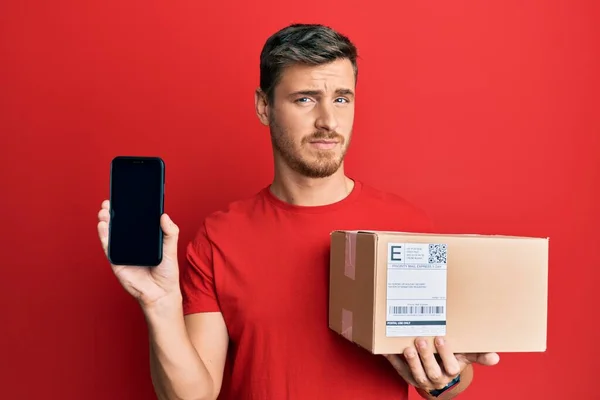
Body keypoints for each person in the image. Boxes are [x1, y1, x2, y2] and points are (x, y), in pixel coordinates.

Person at [97, 23, 499, 400]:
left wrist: (445, 379)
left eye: (341, 98)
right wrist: (159, 304)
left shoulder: (408, 229)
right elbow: (193, 394)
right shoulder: (219, 237)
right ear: (263, 107)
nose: (328, 121)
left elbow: (450, 378)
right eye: (305, 98)